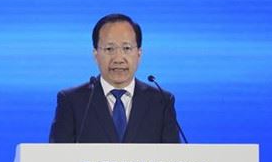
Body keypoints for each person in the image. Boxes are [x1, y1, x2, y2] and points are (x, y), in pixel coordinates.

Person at [49, 13, 180, 143]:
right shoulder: (72, 101)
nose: (118, 59)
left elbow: (174, 154)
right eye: (109, 49)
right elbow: (58, 154)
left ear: (139, 54)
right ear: (95, 54)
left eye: (127, 48)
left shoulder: (161, 102)